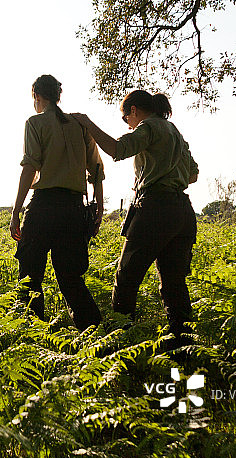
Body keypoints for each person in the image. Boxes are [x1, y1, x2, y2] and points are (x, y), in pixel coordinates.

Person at [71, 90, 198, 341]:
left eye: (125, 118)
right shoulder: (174, 132)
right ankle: (184, 347)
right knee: (174, 284)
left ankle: (121, 343)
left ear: (134, 110)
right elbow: (193, 174)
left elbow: (117, 149)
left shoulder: (148, 127)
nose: (127, 124)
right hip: (183, 211)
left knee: (126, 279)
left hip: (154, 209)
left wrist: (87, 123)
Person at [10, 74, 105, 330]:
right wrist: (99, 208)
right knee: (71, 278)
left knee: (30, 276)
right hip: (74, 209)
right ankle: (95, 335)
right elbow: (97, 170)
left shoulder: (35, 123)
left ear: (37, 96)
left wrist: (16, 211)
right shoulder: (80, 126)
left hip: (43, 206)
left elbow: (30, 167)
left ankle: (33, 335)